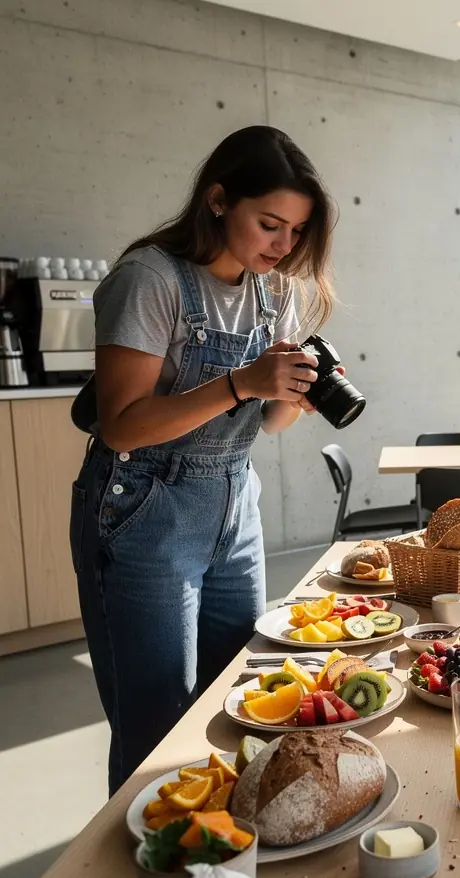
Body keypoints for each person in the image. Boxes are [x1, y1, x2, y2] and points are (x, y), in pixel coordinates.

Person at [70, 125, 338, 795]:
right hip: (144, 510)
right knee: (156, 727)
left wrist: (296, 394)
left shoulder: (272, 290)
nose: (283, 246)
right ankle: (154, 856)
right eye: (269, 224)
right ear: (218, 201)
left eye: (296, 231)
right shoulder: (150, 279)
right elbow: (122, 426)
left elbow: (267, 422)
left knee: (239, 700)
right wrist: (242, 382)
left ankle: (224, 839)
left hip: (233, 505)